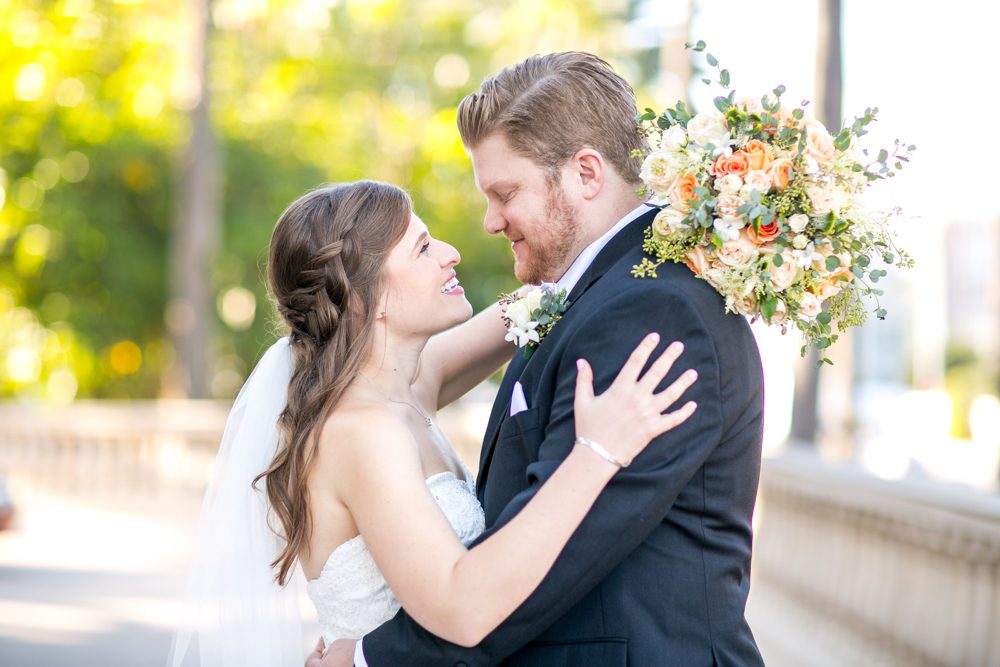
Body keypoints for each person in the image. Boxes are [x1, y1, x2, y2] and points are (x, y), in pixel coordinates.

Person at [327, 52, 766, 667]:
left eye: (505, 193)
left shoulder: (652, 310)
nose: (488, 222)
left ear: (587, 172)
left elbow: (557, 560)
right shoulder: (592, 294)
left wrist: (373, 659)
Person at [168, 180, 699, 667]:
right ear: (360, 298)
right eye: (422, 248)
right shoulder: (361, 431)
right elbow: (460, 606)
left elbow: (551, 296)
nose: (451, 254)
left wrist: (693, 202)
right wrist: (597, 452)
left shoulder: (409, 385)